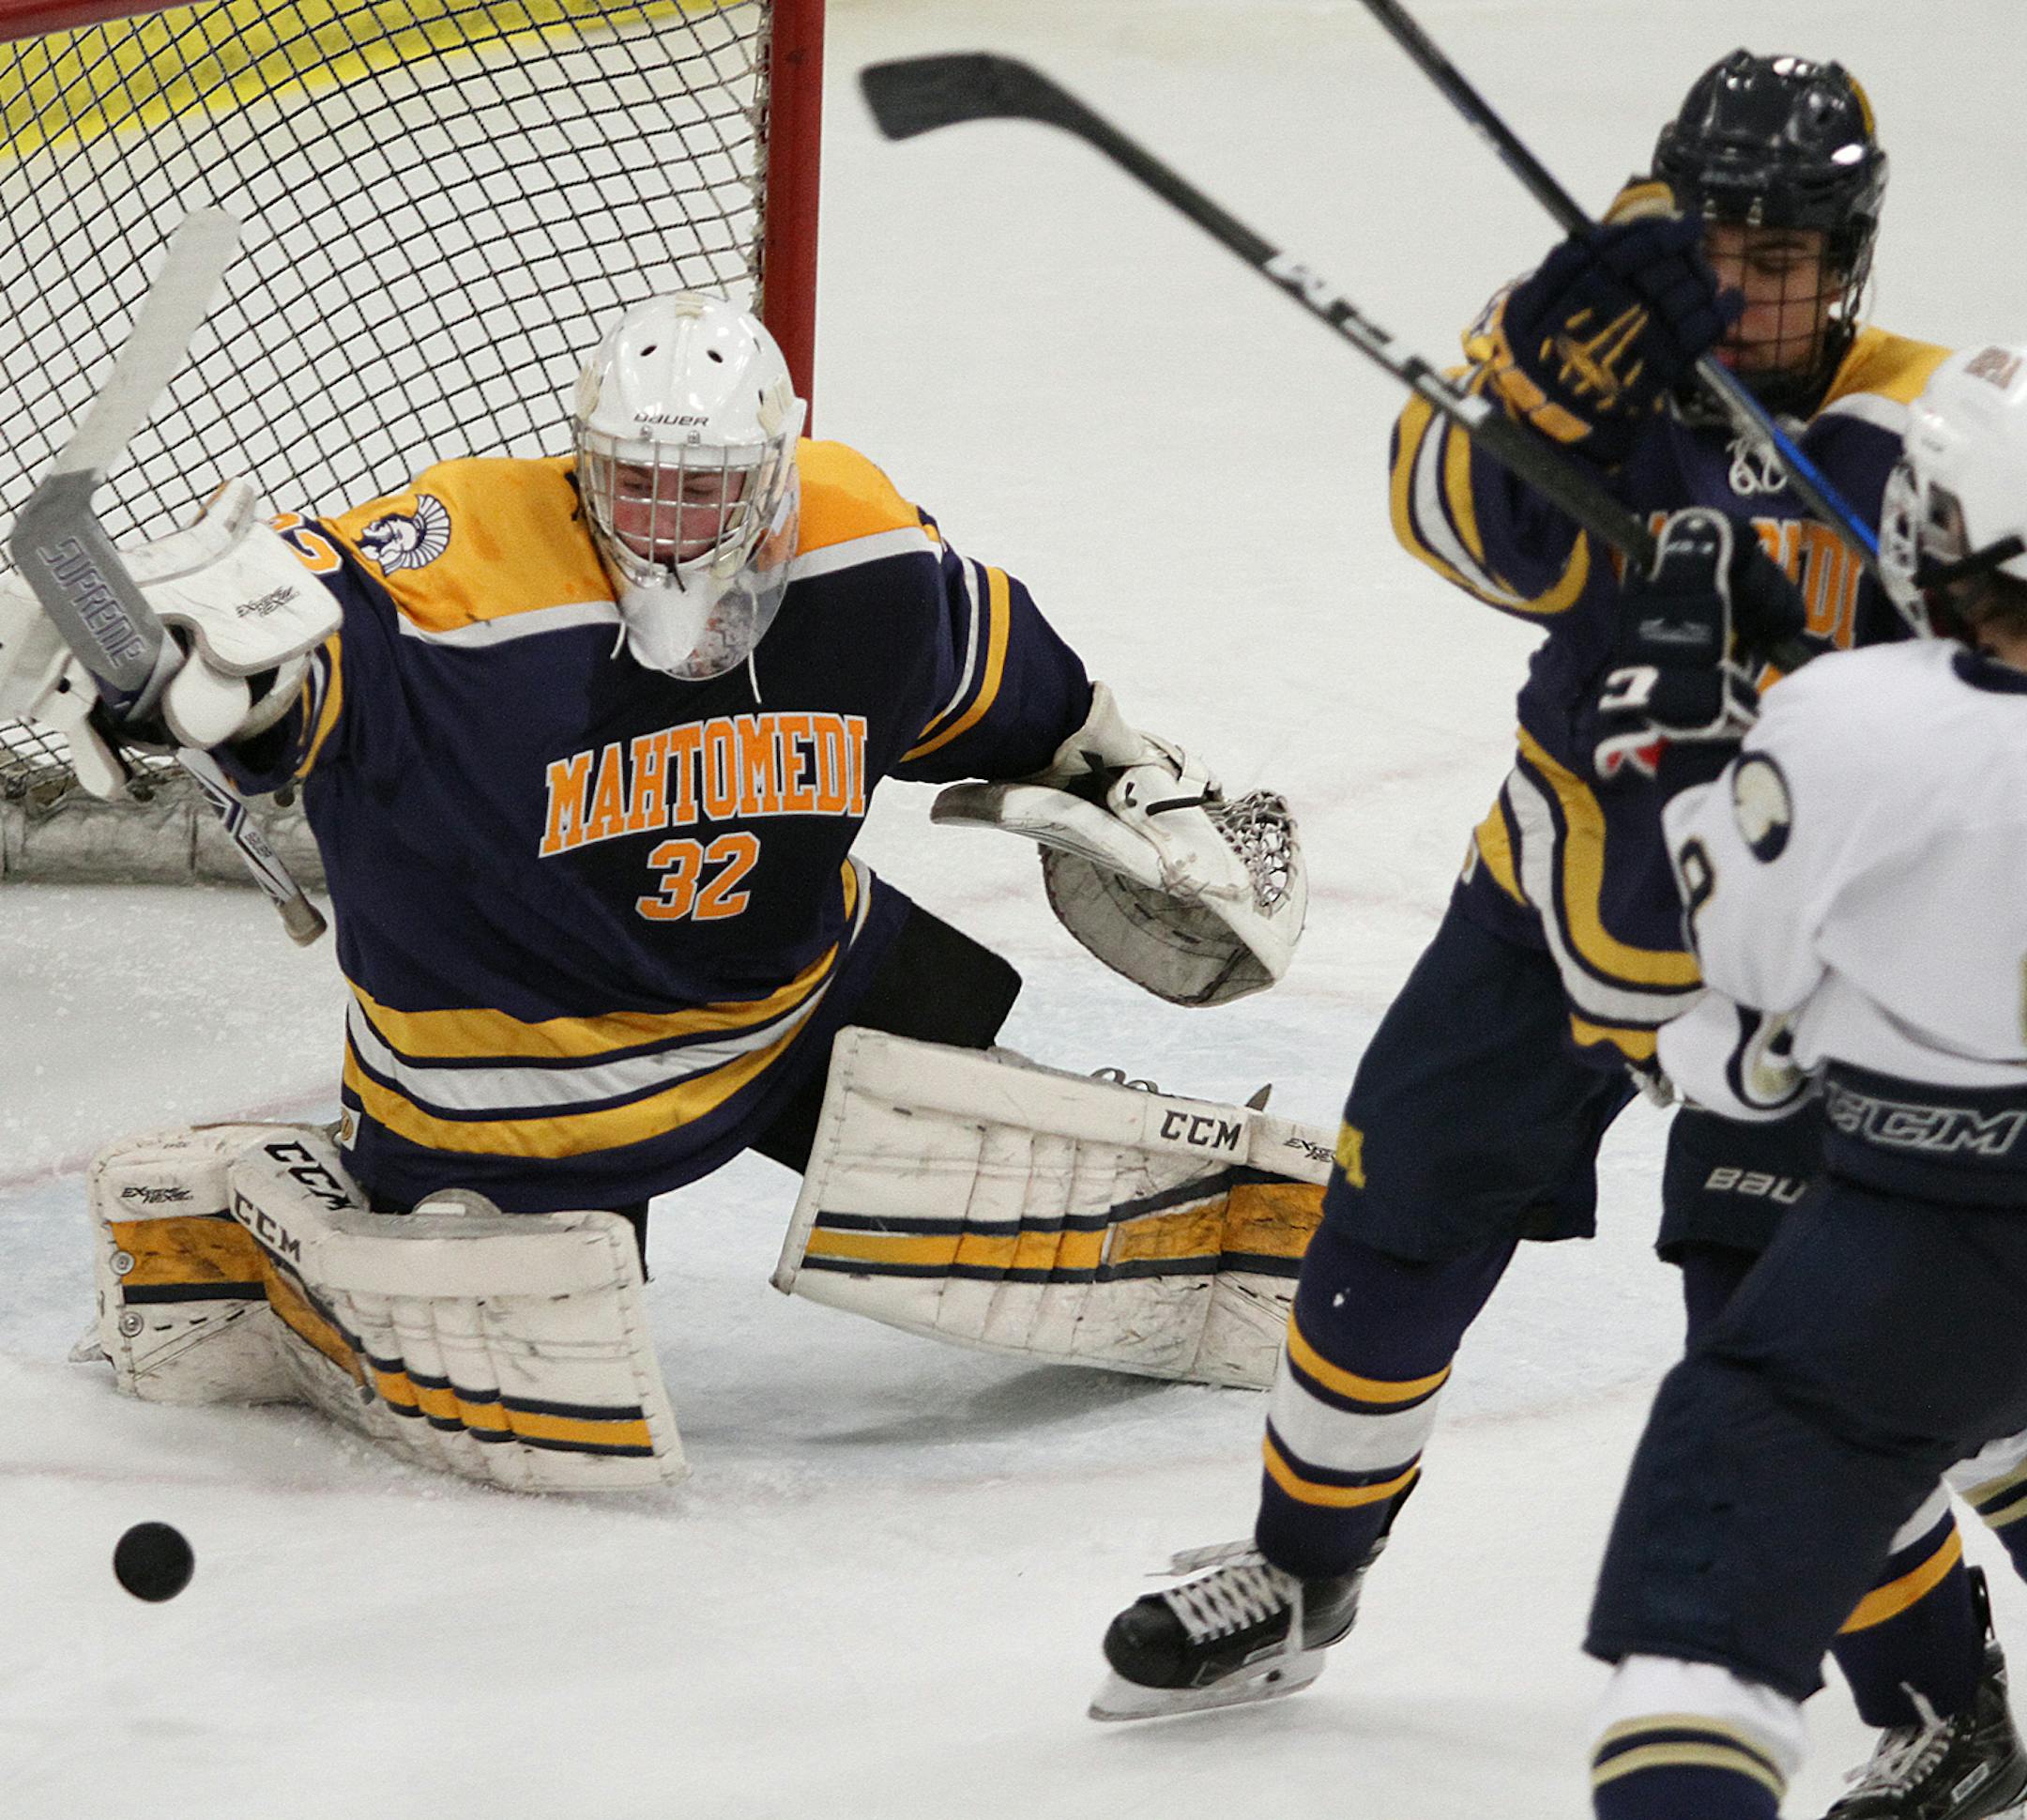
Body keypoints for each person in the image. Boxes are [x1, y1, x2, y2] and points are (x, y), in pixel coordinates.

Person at [1090, 48, 2014, 1806]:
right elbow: (1444, 517)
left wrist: (1818, 648)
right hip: (1550, 896)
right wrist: (1543, 378)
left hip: (1790, 984)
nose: (1751, 287)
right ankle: (1302, 1574)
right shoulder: (1602, 352)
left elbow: (1983, 690)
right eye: (1722, 243)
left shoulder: (1925, 429)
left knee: (1793, 1358)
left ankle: (1943, 1702)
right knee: (1391, 1220)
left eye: (1794, 253)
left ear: (1857, 252)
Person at [3, 292, 1318, 1488]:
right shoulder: (464, 562)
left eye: (707, 489)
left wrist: (1143, 788)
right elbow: (307, 643)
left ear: (777, 469)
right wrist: (190, 674)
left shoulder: (864, 551)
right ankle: (340, 1224)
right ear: (580, 461)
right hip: (517, 1075)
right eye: (633, 483)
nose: (667, 524)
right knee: (538, 1345)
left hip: (786, 999)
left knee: (947, 1005)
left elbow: (1034, 702)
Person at [1585, 344, 2027, 1820]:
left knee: (1697, 1650)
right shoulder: (1859, 717)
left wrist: (1684, 746)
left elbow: (1708, 980)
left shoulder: (1852, 729)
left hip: (1919, 1243)